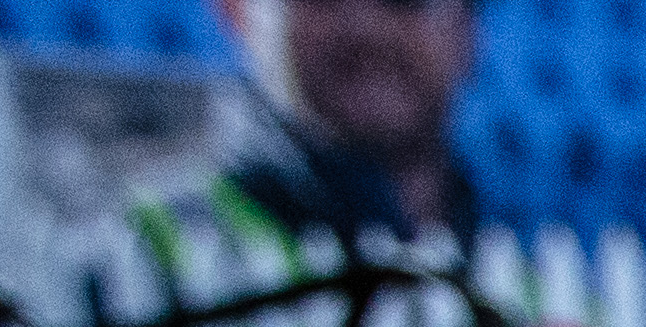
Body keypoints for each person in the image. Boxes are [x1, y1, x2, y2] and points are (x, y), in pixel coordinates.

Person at [205, 0, 483, 258]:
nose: (366, 29)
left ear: (468, 25)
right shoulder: (190, 234)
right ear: (239, 12)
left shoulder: (505, 236)